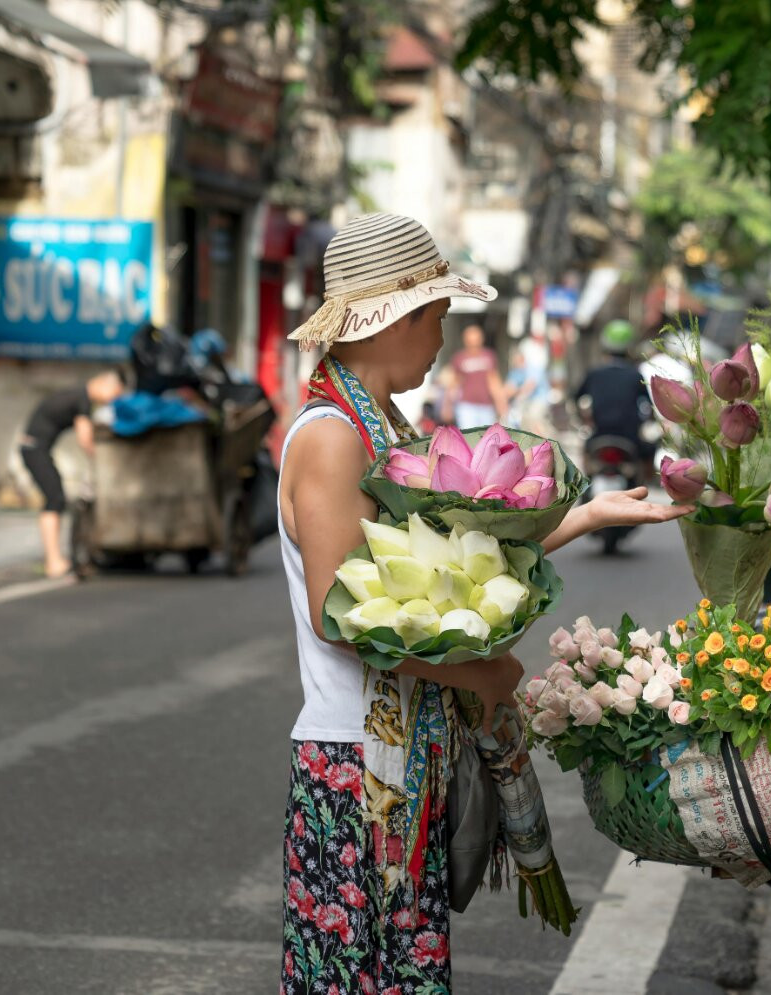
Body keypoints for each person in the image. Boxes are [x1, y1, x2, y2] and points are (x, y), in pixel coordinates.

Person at [277, 213, 690, 994]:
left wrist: (590, 515)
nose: (441, 337)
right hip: (357, 768)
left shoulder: (382, 429)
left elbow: (458, 572)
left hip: (395, 763)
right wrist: (484, 674)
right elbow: (343, 618)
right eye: (435, 316)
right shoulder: (334, 440)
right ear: (391, 319)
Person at [19, 370, 128, 577]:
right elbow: (85, 439)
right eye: (115, 393)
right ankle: (53, 561)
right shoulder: (82, 399)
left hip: (37, 449)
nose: (113, 399)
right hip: (34, 449)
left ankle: (55, 559)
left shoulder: (77, 394)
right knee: (55, 499)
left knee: (56, 499)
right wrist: (104, 463)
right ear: (105, 383)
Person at [574, 319, 654, 467]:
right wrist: (647, 422)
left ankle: (586, 485)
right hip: (630, 438)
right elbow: (648, 406)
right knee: (650, 451)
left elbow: (576, 398)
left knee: (586, 457)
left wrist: (584, 420)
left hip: (599, 434)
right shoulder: (635, 376)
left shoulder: (594, 374)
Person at [442, 324, 508, 429]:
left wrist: (501, 403)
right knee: (469, 439)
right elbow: (454, 382)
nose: (473, 343)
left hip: (486, 406)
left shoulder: (489, 356)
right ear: (465, 340)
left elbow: (494, 381)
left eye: (476, 339)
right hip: (466, 406)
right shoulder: (459, 358)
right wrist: (447, 405)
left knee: (485, 439)